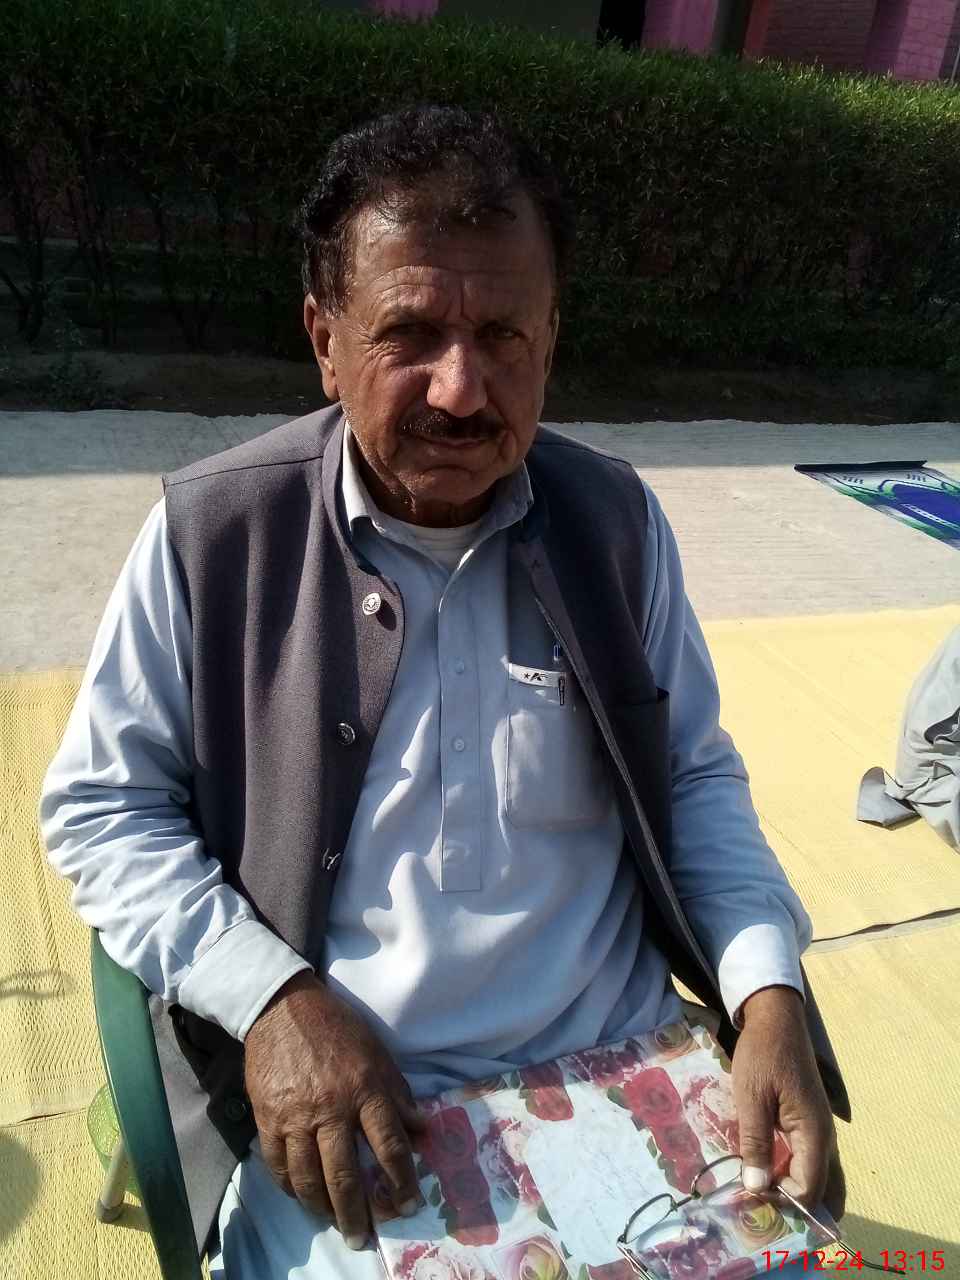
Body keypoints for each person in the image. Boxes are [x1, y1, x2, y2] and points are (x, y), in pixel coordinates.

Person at [40, 106, 848, 1278]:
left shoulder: (616, 527)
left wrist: (768, 993)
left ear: (551, 339)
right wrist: (271, 1000)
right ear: (324, 339)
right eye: (410, 334)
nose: (462, 391)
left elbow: (693, 775)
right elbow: (103, 809)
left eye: (504, 335)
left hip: (626, 1064)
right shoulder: (214, 536)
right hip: (356, 1102)